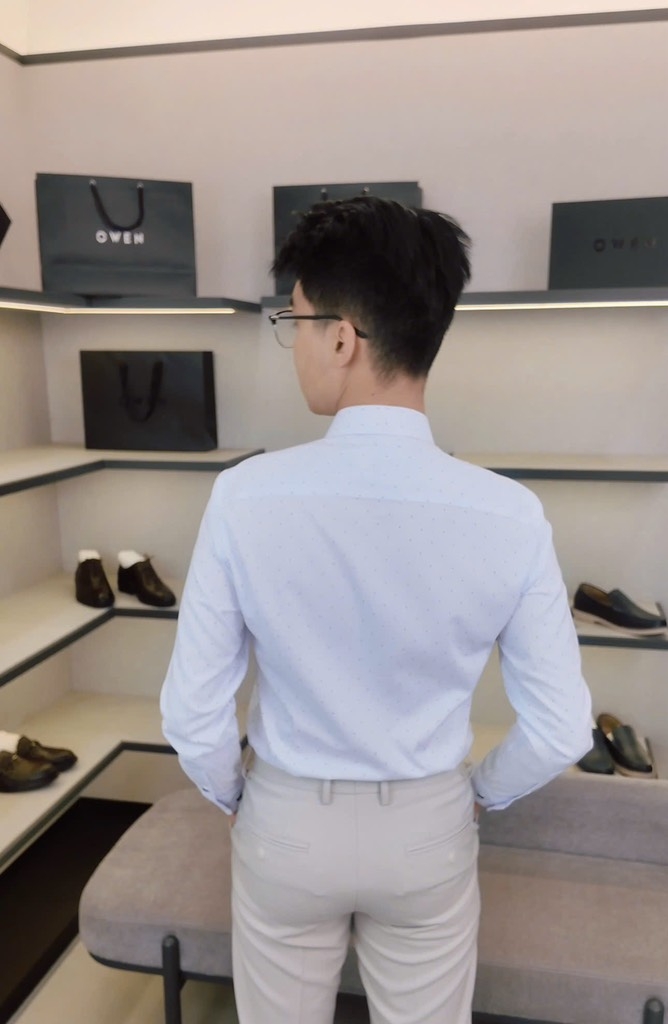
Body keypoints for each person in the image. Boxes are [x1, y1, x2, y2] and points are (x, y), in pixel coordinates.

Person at [160, 196, 592, 1024]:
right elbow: (562, 727)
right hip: (427, 826)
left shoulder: (245, 497)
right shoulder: (509, 513)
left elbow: (192, 714)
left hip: (287, 820)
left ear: (342, 339)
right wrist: (477, 795)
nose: (295, 344)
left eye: (295, 322)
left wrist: (240, 798)